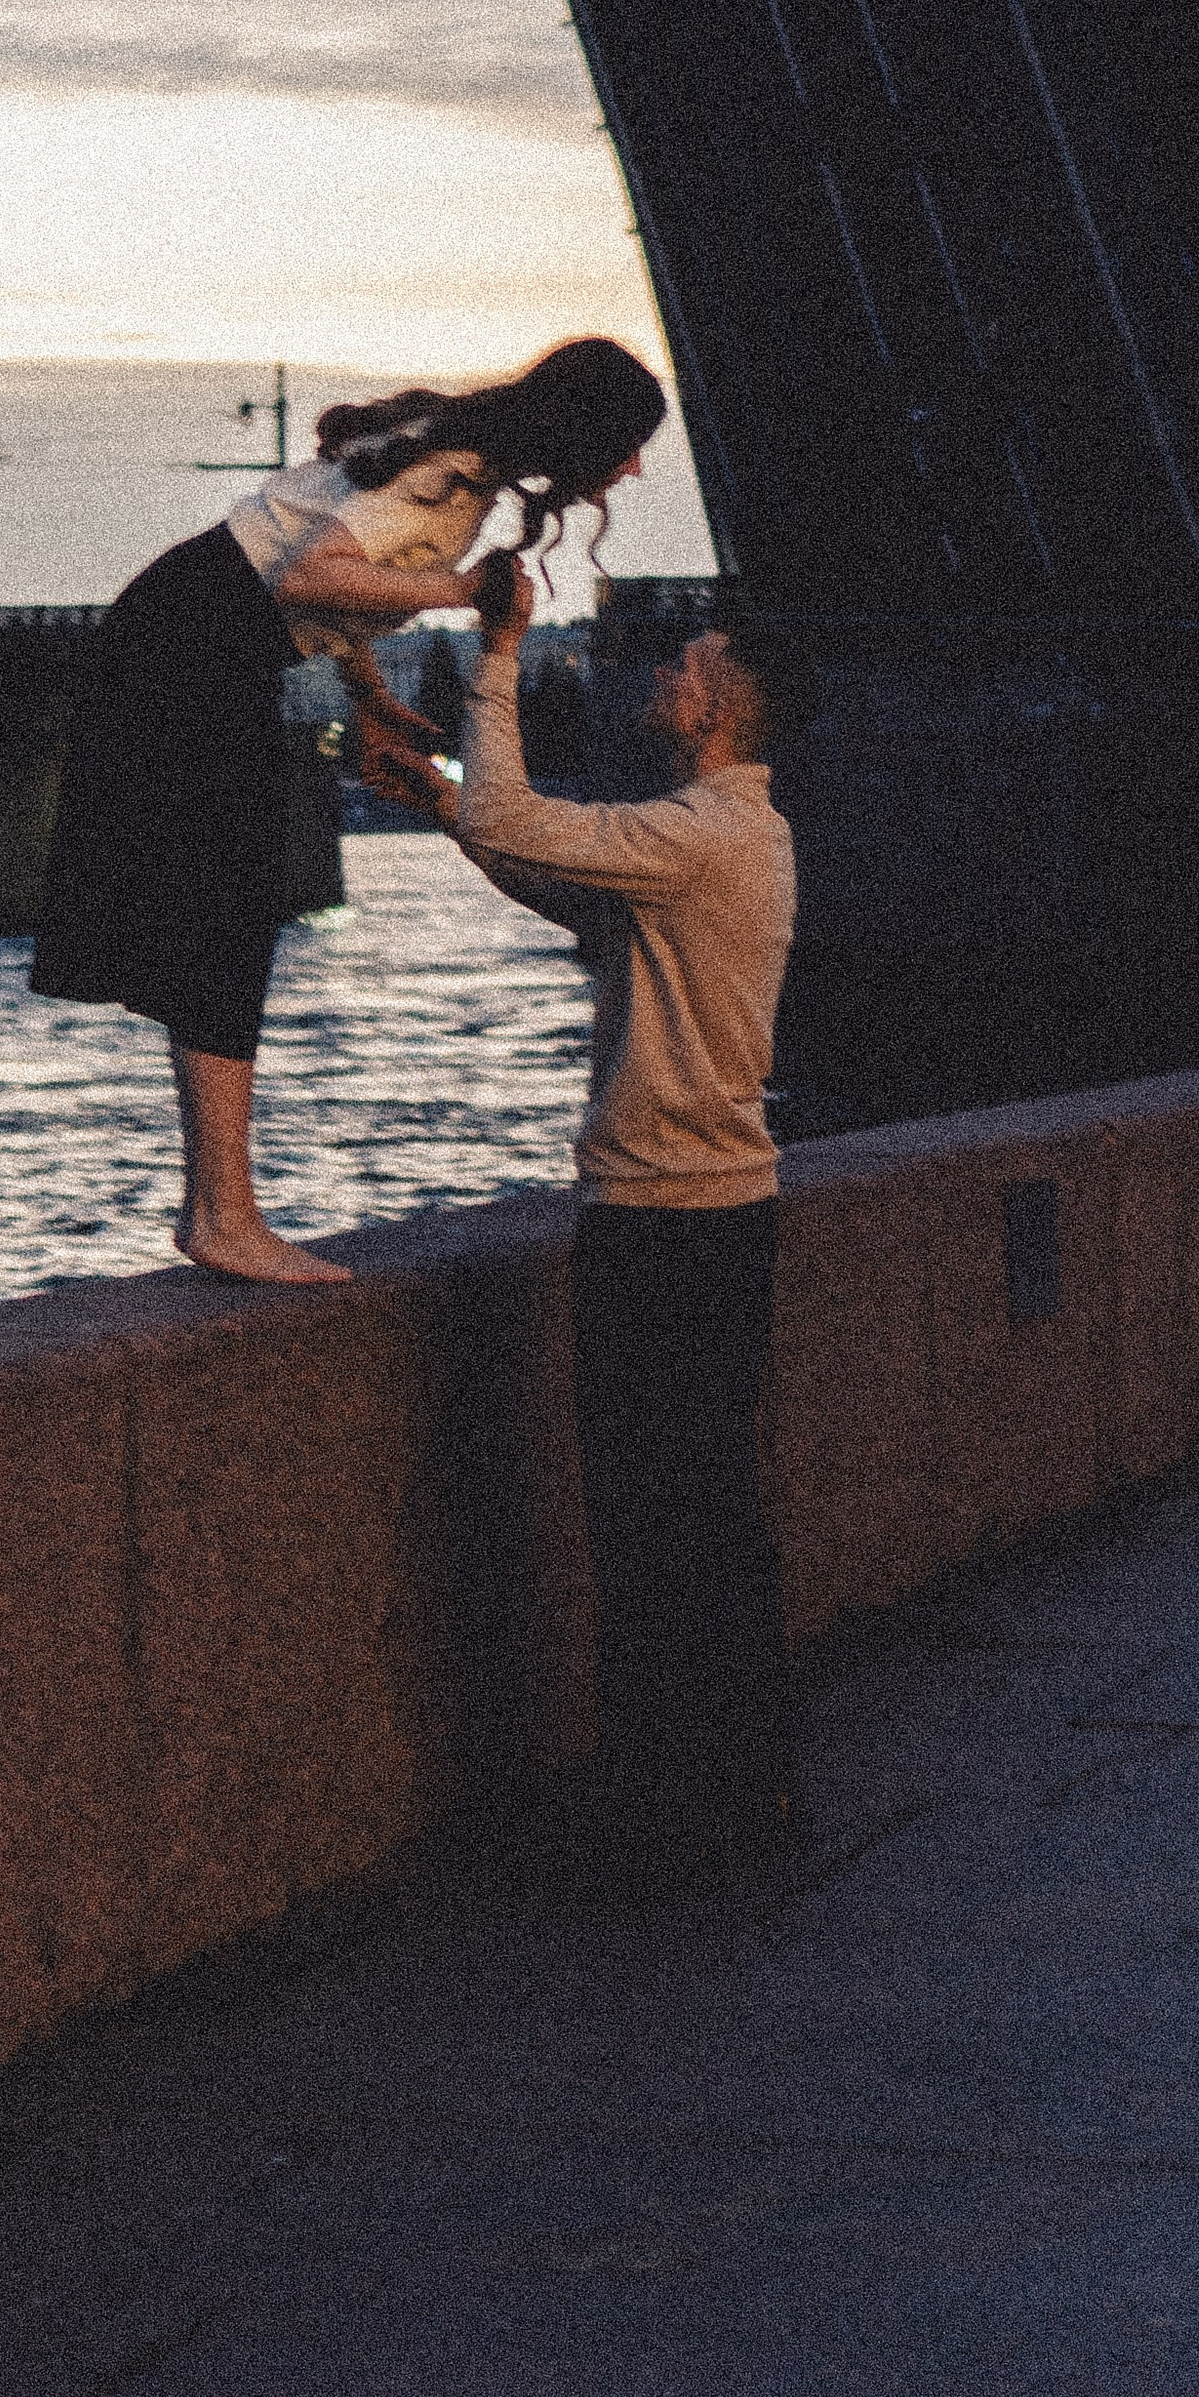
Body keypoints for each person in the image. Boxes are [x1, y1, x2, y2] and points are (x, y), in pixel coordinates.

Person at [29, 338, 667, 1285]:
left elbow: (315, 570)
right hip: (193, 645)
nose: (633, 468)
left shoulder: (442, 447)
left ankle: (217, 1210)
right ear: (580, 435)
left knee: (224, 912)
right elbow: (306, 579)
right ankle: (223, 1218)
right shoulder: (449, 476)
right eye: (626, 445)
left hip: (185, 628)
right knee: (227, 913)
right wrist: (466, 590)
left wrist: (368, 701)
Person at [373, 556, 814, 1876]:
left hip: (666, 1223)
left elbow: (523, 827)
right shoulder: (716, 837)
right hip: (712, 1216)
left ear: (727, 712)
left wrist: (496, 656)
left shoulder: (703, 835)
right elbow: (558, 879)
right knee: (701, 1522)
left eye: (696, 667)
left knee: (656, 1529)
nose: (671, 672)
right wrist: (448, 803)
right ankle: (728, 1801)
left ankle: (684, 1818)